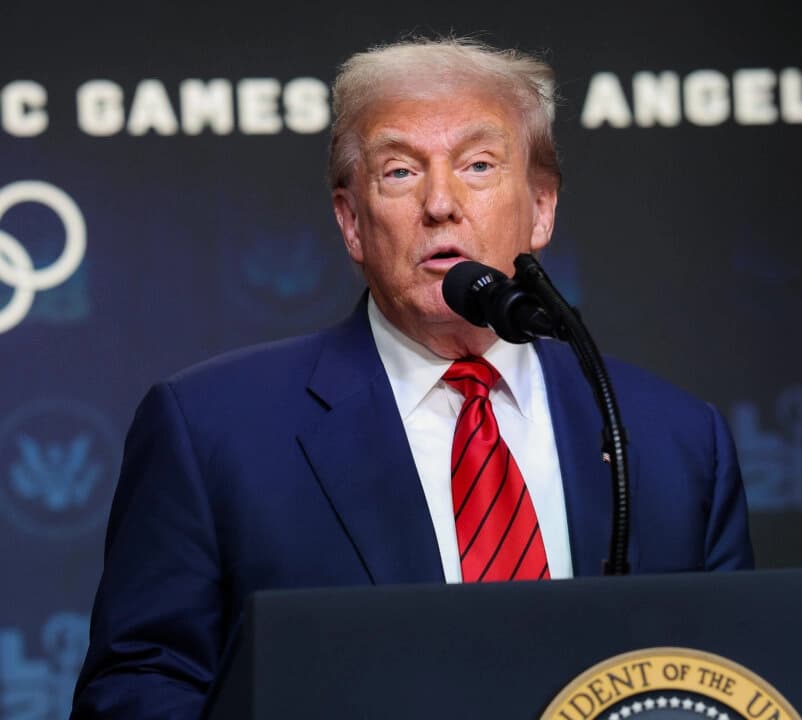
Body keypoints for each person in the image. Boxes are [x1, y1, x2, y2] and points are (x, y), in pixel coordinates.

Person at [70, 37, 753, 719]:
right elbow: (136, 693)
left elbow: (737, 684)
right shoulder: (212, 431)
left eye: (479, 165)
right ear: (351, 222)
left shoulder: (677, 441)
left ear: (541, 207)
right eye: (400, 172)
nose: (440, 204)